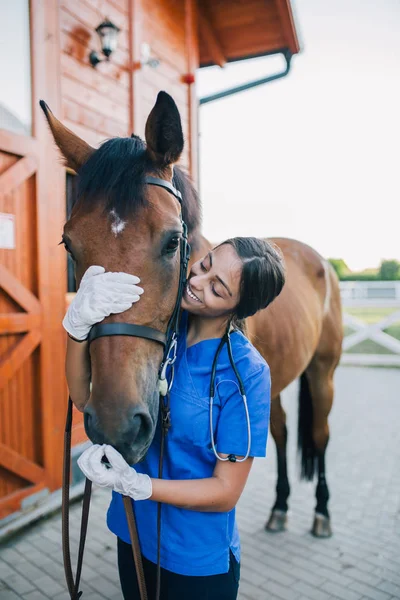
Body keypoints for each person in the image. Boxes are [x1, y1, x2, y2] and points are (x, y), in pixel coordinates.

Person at [66, 237, 285, 600]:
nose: (197, 281)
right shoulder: (158, 323)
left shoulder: (246, 374)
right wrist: (76, 328)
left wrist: (140, 486)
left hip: (195, 561)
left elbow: (225, 492)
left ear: (239, 308)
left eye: (217, 287)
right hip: (133, 535)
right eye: (205, 264)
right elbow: (82, 397)